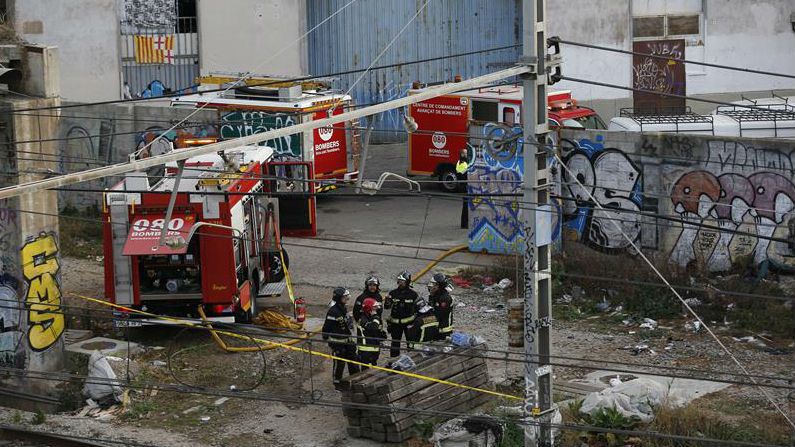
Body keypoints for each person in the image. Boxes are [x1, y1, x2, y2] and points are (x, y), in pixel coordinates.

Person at [322, 287, 360, 389]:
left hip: (348, 341)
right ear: (339, 298)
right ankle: (337, 383)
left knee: (353, 361)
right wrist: (332, 344)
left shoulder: (342, 308)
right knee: (340, 363)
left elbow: (347, 325)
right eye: (344, 297)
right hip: (338, 343)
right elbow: (326, 328)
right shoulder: (333, 311)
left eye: (347, 297)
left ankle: (356, 381)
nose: (347, 299)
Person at [384, 270, 419, 357]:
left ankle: (412, 359)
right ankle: (393, 361)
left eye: (402, 280)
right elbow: (387, 309)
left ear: (407, 281)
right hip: (395, 324)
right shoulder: (393, 293)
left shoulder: (413, 295)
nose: (400, 282)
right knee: (395, 344)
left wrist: (416, 323)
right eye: (399, 280)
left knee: (411, 344)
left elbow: (418, 310)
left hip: (409, 324)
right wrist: (387, 302)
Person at [356, 298, 386, 368]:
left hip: (374, 349)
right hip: (366, 351)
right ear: (369, 309)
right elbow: (373, 327)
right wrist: (376, 317)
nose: (376, 309)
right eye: (374, 307)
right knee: (366, 371)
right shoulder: (363, 319)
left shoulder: (371, 317)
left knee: (373, 369)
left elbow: (377, 330)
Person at [427, 273, 454, 340]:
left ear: (440, 285)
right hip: (436, 328)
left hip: (443, 331)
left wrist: (422, 320)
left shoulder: (445, 298)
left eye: (434, 284)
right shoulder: (435, 295)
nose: (432, 286)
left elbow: (438, 315)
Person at [456, 148, 470, 229]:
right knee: (466, 205)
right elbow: (464, 174)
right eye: (466, 153)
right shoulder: (463, 163)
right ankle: (464, 224)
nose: (467, 155)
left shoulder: (459, 162)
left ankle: (464, 223)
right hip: (464, 186)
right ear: (462, 154)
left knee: (465, 205)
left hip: (462, 185)